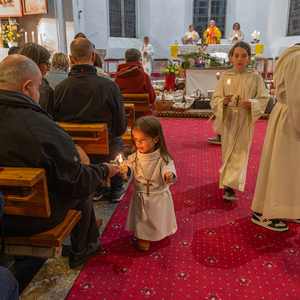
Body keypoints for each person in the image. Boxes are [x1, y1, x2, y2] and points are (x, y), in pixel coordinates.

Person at [0, 54, 119, 269]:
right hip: (28, 218)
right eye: (37, 87)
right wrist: (102, 170)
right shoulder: (37, 125)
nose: (38, 94)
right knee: (84, 187)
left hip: (1, 213)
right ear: (27, 87)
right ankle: (83, 248)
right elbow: (75, 180)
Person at [54, 38, 127, 202]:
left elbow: (55, 124)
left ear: (70, 59)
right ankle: (116, 189)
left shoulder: (59, 88)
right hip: (106, 150)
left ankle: (96, 189)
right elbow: (121, 127)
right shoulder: (109, 86)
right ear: (93, 57)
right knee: (117, 140)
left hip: (74, 151)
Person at [210, 42, 269, 201]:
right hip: (229, 118)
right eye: (236, 55)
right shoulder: (226, 76)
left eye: (244, 55)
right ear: (231, 57)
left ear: (249, 57)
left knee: (241, 152)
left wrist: (253, 103)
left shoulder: (255, 76)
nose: (240, 59)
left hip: (245, 118)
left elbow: (263, 97)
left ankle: (230, 187)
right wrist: (223, 101)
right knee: (229, 151)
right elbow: (215, 99)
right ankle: (229, 184)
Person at [251, 44, 300, 232]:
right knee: (280, 168)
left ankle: (287, 208)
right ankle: (263, 213)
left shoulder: (293, 55)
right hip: (292, 116)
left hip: (289, 114)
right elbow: (297, 97)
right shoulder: (297, 58)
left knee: (290, 169)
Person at [119, 116, 177, 251]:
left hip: (158, 196)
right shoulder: (135, 157)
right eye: (136, 139)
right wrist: (126, 170)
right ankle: (144, 237)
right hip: (140, 196)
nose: (138, 143)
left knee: (157, 218)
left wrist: (169, 175)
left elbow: (168, 167)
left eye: (143, 139)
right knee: (142, 219)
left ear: (156, 139)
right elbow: (129, 167)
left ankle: (159, 232)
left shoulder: (163, 158)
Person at [115, 48, 156, 118]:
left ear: (125, 60)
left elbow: (115, 96)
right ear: (138, 60)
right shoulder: (144, 76)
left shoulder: (118, 77)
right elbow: (152, 98)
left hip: (123, 114)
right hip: (142, 114)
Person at [18, 43, 54, 117]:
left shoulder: (12, 84)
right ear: (35, 64)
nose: (48, 68)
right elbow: (47, 121)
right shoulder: (45, 91)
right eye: (47, 64)